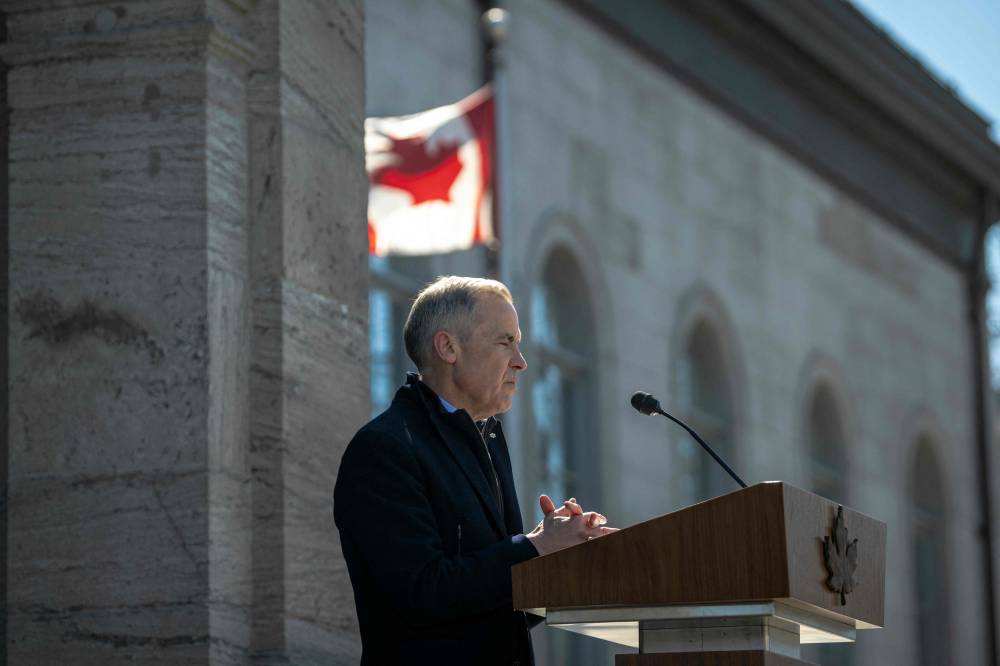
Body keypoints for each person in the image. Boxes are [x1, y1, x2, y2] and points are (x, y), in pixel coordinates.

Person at [334, 276, 617, 666]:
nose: (521, 361)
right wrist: (533, 548)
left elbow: (492, 608)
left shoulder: (488, 439)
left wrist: (561, 561)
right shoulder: (385, 449)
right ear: (448, 347)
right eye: (505, 342)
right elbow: (421, 595)